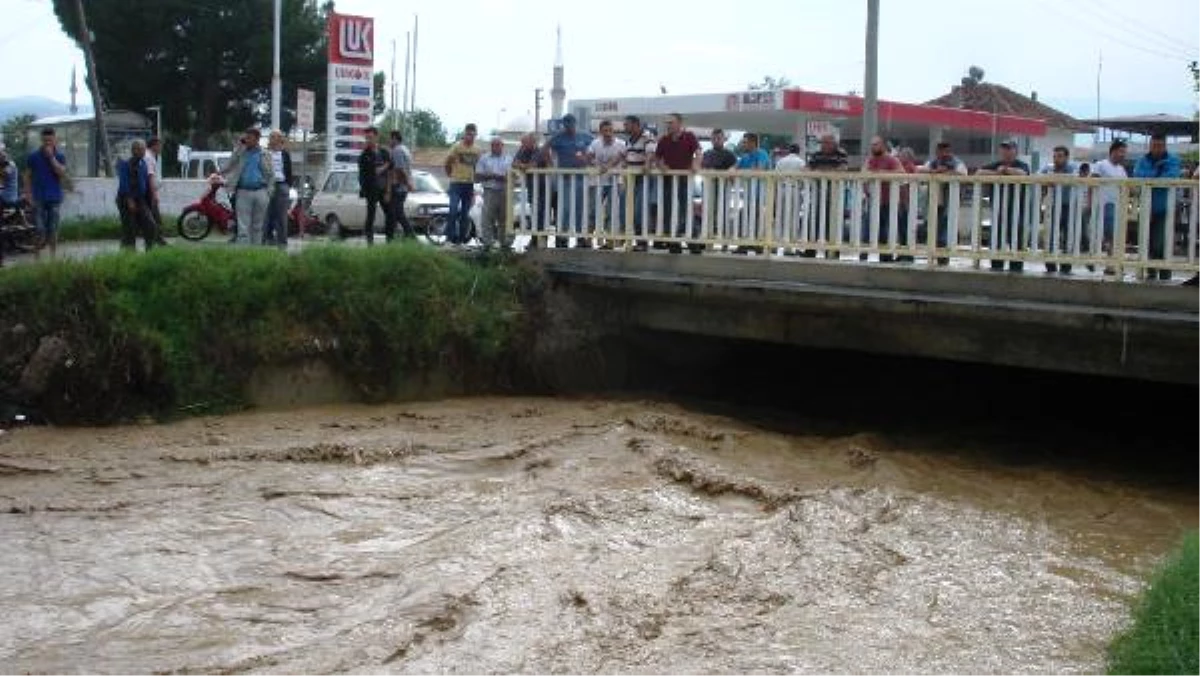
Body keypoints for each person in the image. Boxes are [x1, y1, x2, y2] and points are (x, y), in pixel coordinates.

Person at [1132, 132, 1182, 280]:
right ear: (1150, 145)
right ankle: (1151, 271)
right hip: (1146, 207)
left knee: (1161, 242)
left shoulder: (1173, 160)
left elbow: (1171, 176)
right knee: (1145, 241)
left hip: (1165, 208)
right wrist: (1157, 172)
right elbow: (1138, 176)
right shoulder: (1142, 160)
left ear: (1165, 146)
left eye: (1160, 145)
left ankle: (1165, 272)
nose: (1157, 148)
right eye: (1154, 145)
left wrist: (1152, 178)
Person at [976, 140, 1031, 272]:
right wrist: (997, 174)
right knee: (996, 239)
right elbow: (979, 173)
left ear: (1015, 151)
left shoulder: (1022, 165)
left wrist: (1006, 170)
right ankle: (996, 266)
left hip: (1017, 210)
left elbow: (1023, 173)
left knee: (1016, 240)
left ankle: (1016, 268)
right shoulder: (995, 165)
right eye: (1004, 149)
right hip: (998, 210)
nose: (1006, 152)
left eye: (1009, 149)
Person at [652, 112, 701, 251]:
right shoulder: (664, 139)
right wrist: (661, 166)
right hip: (668, 181)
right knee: (669, 210)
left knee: (687, 210)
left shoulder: (689, 136)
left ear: (679, 123)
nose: (668, 125)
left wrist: (695, 164)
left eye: (671, 122)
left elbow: (698, 152)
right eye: (667, 123)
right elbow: (656, 158)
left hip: (685, 180)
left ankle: (692, 241)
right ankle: (673, 240)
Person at [544, 113, 594, 247]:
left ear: (575, 124)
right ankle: (562, 236)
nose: (568, 127)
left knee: (580, 208)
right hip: (565, 178)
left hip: (581, 177)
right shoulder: (558, 137)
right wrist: (550, 165)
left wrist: (588, 160)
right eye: (565, 124)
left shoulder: (584, 136)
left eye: (570, 124)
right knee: (565, 208)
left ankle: (580, 237)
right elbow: (545, 148)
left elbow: (595, 147)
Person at [916, 141, 969, 265]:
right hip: (934, 204)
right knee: (933, 231)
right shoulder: (933, 162)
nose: (943, 154)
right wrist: (934, 171)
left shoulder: (956, 162)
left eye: (945, 151)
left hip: (948, 203)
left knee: (945, 231)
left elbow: (963, 173)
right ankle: (934, 256)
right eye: (940, 151)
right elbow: (919, 170)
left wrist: (946, 172)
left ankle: (943, 258)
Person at [218, 127, 274, 245]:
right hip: (243, 191)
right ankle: (244, 251)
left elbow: (271, 174)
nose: (247, 140)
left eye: (250, 138)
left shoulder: (265, 154)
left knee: (257, 226)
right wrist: (218, 173)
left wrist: (269, 192)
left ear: (257, 139)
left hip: (261, 191)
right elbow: (230, 165)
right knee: (243, 225)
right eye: (246, 137)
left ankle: (255, 251)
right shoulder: (241, 153)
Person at [22, 127, 68, 257]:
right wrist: (28, 194)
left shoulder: (60, 156)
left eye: (50, 140)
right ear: (41, 140)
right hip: (38, 197)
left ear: (54, 140)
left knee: (53, 229)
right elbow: (27, 176)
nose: (47, 143)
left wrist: (51, 158)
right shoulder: (33, 156)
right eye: (45, 140)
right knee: (39, 229)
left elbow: (61, 173)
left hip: (54, 197)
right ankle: (37, 256)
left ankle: (53, 257)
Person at [861, 136, 908, 262]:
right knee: (867, 231)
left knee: (886, 231)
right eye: (872, 145)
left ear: (882, 145)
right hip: (873, 201)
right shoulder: (869, 160)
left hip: (889, 202)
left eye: (876, 144)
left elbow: (902, 173)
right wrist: (866, 190)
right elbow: (863, 175)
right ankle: (863, 256)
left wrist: (883, 173)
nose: (873, 147)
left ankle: (886, 257)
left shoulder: (891, 159)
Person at [1038, 146, 1082, 273]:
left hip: (1069, 206)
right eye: (1054, 156)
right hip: (1053, 206)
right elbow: (1038, 175)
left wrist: (1054, 178)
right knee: (1051, 235)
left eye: (1060, 156)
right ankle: (1050, 264)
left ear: (1067, 157)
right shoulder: (1049, 168)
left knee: (1069, 235)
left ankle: (1066, 265)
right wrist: (1047, 180)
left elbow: (1077, 175)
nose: (1056, 159)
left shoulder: (1072, 167)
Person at [115, 139, 159, 252]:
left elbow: (145, 181)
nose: (142, 152)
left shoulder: (143, 163)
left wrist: (151, 196)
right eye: (139, 149)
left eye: (143, 149)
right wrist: (129, 200)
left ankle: (149, 250)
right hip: (126, 199)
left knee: (151, 225)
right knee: (130, 228)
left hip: (140, 199)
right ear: (133, 150)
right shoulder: (125, 163)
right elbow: (124, 183)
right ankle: (129, 252)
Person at [586, 119, 626, 243]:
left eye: (610, 130)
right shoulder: (595, 143)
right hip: (596, 182)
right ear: (600, 132)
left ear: (613, 131)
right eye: (605, 131)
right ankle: (588, 237)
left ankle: (609, 238)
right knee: (592, 210)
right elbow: (589, 157)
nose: (608, 133)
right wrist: (598, 164)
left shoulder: (621, 144)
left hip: (615, 182)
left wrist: (610, 166)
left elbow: (625, 159)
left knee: (612, 211)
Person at [1089, 139, 1128, 259]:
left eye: (1124, 152)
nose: (1123, 155)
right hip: (1103, 203)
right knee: (1106, 231)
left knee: (1113, 232)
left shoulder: (1121, 170)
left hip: (1117, 204)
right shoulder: (1101, 165)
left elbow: (1126, 187)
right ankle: (1100, 255)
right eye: (1121, 151)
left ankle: (1110, 257)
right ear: (1113, 151)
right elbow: (1092, 183)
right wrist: (1090, 201)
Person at [621, 115, 656, 250]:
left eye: (627, 125)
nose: (625, 127)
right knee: (629, 210)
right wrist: (624, 163)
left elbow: (651, 153)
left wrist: (647, 164)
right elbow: (626, 156)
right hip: (632, 179)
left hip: (644, 179)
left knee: (639, 210)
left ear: (635, 125)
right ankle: (635, 240)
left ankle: (642, 242)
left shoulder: (647, 136)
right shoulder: (629, 140)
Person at [443, 123, 482, 246]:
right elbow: (447, 162)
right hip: (456, 183)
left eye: (473, 135)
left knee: (465, 214)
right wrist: (450, 175)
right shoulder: (457, 147)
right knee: (453, 210)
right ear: (465, 134)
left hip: (469, 184)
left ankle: (461, 241)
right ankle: (449, 239)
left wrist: (475, 183)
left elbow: (477, 167)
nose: (470, 137)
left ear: (475, 135)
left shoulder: (477, 150)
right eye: (468, 134)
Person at [474, 137, 513, 250]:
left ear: (502, 146)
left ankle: (504, 243)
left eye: (498, 145)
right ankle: (487, 243)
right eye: (493, 145)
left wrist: (505, 177)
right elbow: (477, 176)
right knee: (487, 218)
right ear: (491, 146)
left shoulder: (509, 159)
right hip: (489, 190)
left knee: (504, 218)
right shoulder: (484, 158)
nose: (495, 147)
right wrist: (493, 176)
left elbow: (513, 175)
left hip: (505, 190)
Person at [512, 133, 549, 248]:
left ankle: (541, 239)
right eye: (522, 142)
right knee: (535, 211)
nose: (522, 145)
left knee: (541, 212)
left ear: (532, 142)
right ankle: (535, 239)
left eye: (525, 142)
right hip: (531, 185)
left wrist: (522, 166)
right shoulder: (522, 150)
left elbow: (533, 165)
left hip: (542, 186)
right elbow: (514, 163)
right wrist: (524, 166)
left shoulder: (539, 151)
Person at [356, 126, 391, 247]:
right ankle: (370, 243)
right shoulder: (364, 155)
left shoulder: (384, 152)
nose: (368, 140)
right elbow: (370, 172)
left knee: (390, 214)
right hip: (371, 189)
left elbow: (390, 170)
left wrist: (388, 190)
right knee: (371, 215)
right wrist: (385, 166)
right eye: (366, 138)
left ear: (376, 137)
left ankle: (390, 241)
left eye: (370, 137)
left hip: (383, 188)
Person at [264, 130, 294, 249]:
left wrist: (287, 185)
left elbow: (289, 170)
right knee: (267, 214)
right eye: (272, 137)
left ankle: (282, 242)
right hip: (268, 185)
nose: (274, 139)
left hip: (282, 185)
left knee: (281, 216)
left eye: (277, 137)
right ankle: (266, 239)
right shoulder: (265, 153)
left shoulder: (285, 154)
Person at [387, 130, 415, 240]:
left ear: (394, 138)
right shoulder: (405, 149)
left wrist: (407, 183)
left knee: (397, 213)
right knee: (396, 213)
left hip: (399, 186)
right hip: (403, 187)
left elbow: (400, 170)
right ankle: (399, 237)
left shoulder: (397, 150)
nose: (388, 141)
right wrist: (408, 183)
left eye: (390, 139)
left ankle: (411, 236)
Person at [145, 137, 168, 245]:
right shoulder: (149, 158)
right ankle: (158, 240)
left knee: (154, 217)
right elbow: (150, 177)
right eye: (159, 145)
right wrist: (154, 194)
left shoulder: (151, 157)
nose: (161, 148)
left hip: (150, 191)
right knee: (155, 218)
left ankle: (158, 239)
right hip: (150, 192)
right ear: (154, 145)